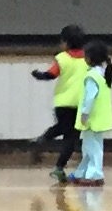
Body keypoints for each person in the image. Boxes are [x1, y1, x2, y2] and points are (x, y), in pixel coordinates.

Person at [31, 23, 89, 179]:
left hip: (62, 102)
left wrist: (38, 75)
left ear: (67, 43)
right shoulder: (88, 59)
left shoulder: (62, 58)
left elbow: (51, 74)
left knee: (62, 126)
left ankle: (43, 139)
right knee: (71, 138)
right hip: (81, 103)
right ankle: (59, 167)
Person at [68, 42, 112, 186]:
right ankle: (82, 172)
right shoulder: (103, 74)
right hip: (100, 118)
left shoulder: (91, 76)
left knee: (91, 147)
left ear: (89, 58)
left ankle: (95, 174)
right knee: (91, 146)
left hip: (91, 119)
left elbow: (89, 97)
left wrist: (84, 113)